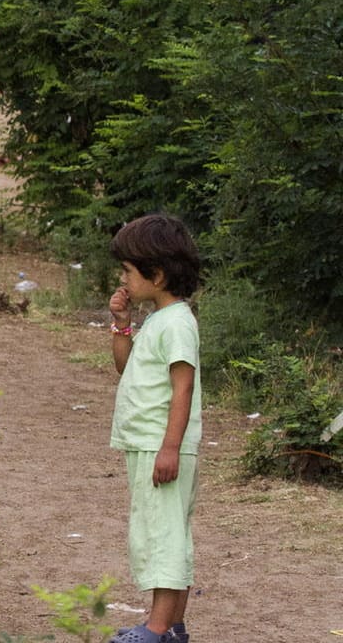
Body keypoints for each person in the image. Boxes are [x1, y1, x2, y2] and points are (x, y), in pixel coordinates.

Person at [106, 213, 203, 643]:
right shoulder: (158, 321)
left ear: (157, 274)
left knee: (163, 538)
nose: (123, 277)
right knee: (164, 533)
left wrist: (169, 447)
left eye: (128, 270)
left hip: (159, 446)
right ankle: (170, 628)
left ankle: (156, 628)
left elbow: (183, 388)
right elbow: (127, 370)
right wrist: (122, 326)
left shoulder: (178, 323)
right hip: (147, 443)